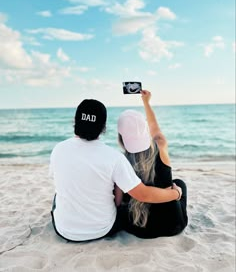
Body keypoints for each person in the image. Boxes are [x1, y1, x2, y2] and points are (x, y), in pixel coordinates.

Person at [49, 98, 183, 242]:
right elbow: (142, 194)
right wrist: (176, 193)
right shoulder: (113, 157)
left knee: (58, 195)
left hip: (63, 230)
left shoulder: (58, 149)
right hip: (102, 230)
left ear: (75, 122)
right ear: (103, 128)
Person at [117, 90, 188, 238]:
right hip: (172, 225)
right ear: (145, 130)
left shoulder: (121, 160)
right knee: (179, 183)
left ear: (121, 137)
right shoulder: (160, 146)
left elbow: (118, 201)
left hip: (139, 227)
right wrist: (146, 102)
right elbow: (155, 127)